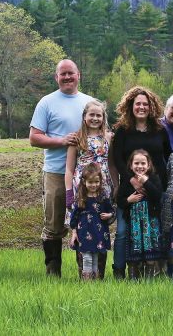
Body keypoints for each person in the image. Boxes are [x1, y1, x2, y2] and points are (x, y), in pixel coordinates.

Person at [30, 59, 94, 277]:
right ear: (56, 78)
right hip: (56, 172)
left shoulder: (89, 102)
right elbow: (34, 138)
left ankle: (85, 274)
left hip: (87, 176)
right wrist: (62, 141)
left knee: (86, 222)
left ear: (79, 75)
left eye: (71, 73)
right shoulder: (46, 103)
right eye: (63, 74)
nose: (67, 77)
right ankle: (53, 273)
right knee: (54, 224)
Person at [109, 86, 172, 279]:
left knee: (154, 230)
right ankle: (120, 270)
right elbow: (118, 159)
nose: (142, 107)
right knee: (122, 232)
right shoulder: (122, 130)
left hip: (155, 188)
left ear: (151, 106)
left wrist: (162, 184)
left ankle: (155, 270)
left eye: (145, 104)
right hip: (129, 189)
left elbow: (168, 155)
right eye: (138, 104)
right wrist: (131, 180)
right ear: (131, 106)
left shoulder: (160, 129)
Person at [64, 99, 113, 279]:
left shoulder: (108, 137)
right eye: (91, 115)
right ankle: (83, 274)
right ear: (84, 117)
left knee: (100, 228)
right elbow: (69, 169)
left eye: (98, 115)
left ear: (103, 117)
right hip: (82, 187)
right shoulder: (77, 138)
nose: (95, 118)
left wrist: (115, 186)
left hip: (103, 186)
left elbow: (112, 165)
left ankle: (99, 274)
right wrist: (69, 193)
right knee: (82, 228)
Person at [121, 150, 164, 280]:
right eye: (136, 163)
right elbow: (119, 200)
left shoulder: (154, 179)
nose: (140, 166)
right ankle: (134, 277)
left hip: (150, 222)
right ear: (130, 165)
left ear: (149, 165)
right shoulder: (128, 181)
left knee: (150, 247)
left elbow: (157, 196)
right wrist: (128, 200)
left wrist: (146, 182)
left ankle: (149, 278)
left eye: (143, 163)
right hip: (134, 222)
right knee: (134, 249)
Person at [69, 163, 115, 281]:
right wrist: (74, 233)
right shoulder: (81, 197)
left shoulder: (103, 196)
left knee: (95, 257)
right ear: (84, 182)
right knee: (87, 257)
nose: (94, 185)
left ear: (100, 181)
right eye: (90, 182)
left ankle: (95, 282)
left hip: (99, 232)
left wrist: (108, 215)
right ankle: (87, 282)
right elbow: (74, 217)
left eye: (96, 182)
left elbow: (111, 211)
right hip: (84, 231)